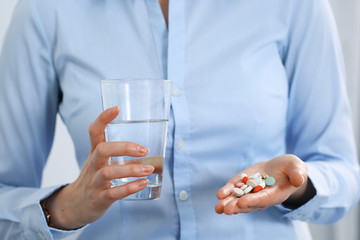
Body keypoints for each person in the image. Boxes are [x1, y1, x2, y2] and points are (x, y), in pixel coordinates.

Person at [0, 0, 359, 239]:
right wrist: (64, 208)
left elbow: (342, 174)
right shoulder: (47, 9)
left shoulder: (294, 5)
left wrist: (295, 185)